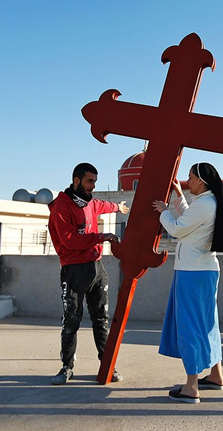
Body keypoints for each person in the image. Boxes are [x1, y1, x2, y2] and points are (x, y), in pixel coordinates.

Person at [151, 162, 223, 404]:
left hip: (192, 272)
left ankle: (191, 386)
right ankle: (216, 375)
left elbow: (176, 229)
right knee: (208, 324)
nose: (187, 181)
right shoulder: (209, 203)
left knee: (191, 327)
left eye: (190, 177)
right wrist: (178, 195)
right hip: (203, 270)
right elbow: (190, 220)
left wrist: (163, 211)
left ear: (201, 181)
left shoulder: (205, 205)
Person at [47, 162, 130, 385]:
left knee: (101, 319)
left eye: (94, 181)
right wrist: (102, 237)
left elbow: (102, 205)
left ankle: (107, 366)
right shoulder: (61, 207)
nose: (93, 186)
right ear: (76, 181)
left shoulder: (90, 202)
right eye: (89, 181)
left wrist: (118, 207)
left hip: (97, 268)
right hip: (73, 270)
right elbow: (70, 240)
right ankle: (66, 367)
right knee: (72, 320)